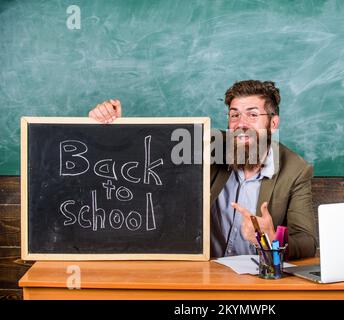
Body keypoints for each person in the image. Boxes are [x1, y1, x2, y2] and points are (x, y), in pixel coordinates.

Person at [88, 80, 317, 259]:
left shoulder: (295, 170)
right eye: (235, 114)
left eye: (253, 114)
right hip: (204, 272)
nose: (241, 123)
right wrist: (114, 126)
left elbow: (306, 241)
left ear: (273, 123)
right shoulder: (210, 145)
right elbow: (147, 153)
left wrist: (270, 240)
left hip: (256, 279)